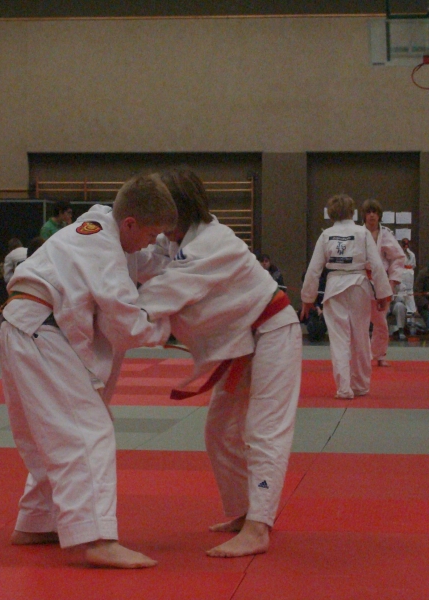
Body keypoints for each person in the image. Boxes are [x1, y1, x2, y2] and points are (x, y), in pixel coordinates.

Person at [0, 174, 177, 569]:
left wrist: (180, 252)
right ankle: (96, 538)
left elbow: (147, 261)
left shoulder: (102, 232)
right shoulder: (101, 246)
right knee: (88, 430)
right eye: (150, 235)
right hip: (40, 330)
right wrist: (169, 330)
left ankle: (38, 521)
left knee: (52, 435)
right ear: (129, 223)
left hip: (27, 327)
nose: (150, 243)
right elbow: (126, 321)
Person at [137, 168, 302, 559]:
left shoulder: (212, 244)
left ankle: (259, 527)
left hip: (273, 330)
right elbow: (147, 265)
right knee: (219, 431)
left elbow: (163, 292)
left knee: (264, 429)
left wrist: (106, 313)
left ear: (180, 210)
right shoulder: (176, 240)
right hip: (242, 341)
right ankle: (244, 511)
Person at [302, 194, 391, 398]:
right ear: (353, 212)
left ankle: (343, 388)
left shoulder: (326, 235)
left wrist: (308, 298)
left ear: (331, 213)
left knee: (339, 339)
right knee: (361, 336)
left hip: (335, 287)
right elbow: (377, 266)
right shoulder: (363, 233)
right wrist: (382, 294)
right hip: (359, 286)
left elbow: (314, 270)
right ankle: (360, 385)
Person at [362, 199, 405, 367]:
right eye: (368, 212)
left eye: (375, 212)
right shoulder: (358, 233)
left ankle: (379, 354)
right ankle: (361, 356)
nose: (372, 215)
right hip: (360, 280)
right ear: (364, 215)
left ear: (379, 215)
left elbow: (398, 257)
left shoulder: (386, 234)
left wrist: (392, 281)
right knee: (359, 321)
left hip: (380, 281)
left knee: (380, 321)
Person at [391, 238, 417, 341]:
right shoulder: (395, 257)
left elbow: (413, 265)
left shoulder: (411, 255)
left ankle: (409, 325)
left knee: (409, 302)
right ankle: (398, 329)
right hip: (396, 292)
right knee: (399, 303)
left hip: (408, 281)